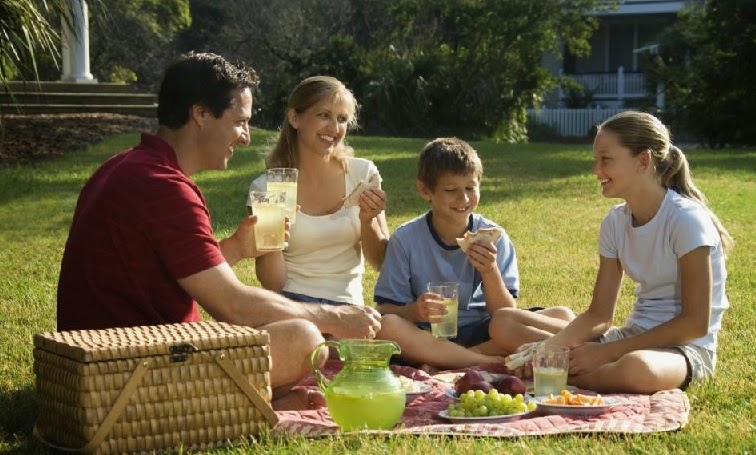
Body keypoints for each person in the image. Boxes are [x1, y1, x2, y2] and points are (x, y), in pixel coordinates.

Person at [56, 52, 381, 410]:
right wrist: (335, 317)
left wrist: (239, 247)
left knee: (289, 335)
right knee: (303, 337)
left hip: (99, 362)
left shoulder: (124, 167)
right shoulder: (164, 188)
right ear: (200, 114)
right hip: (127, 370)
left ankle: (255, 400)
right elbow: (234, 306)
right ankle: (236, 403)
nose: (244, 137)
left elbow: (170, 277)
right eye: (240, 122)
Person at [508, 111, 733, 393]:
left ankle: (559, 376)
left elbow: (695, 324)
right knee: (506, 324)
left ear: (643, 161)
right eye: (596, 160)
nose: (596, 170)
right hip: (632, 337)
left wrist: (605, 353)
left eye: (606, 160)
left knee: (637, 370)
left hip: (684, 349)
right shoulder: (615, 222)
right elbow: (599, 315)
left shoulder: (686, 220)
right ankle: (560, 369)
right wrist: (550, 346)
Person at [373, 137, 573, 370]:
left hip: (482, 331)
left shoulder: (494, 238)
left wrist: (489, 271)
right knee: (387, 326)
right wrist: (414, 311)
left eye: (470, 188)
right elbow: (385, 309)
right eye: (451, 190)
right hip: (428, 335)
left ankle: (451, 360)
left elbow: (505, 313)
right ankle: (484, 361)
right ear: (425, 190)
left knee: (562, 315)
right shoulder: (406, 239)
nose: (463, 199)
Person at [250, 76, 389, 306]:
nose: (334, 129)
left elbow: (381, 263)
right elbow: (272, 284)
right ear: (295, 118)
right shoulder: (268, 186)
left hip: (347, 307)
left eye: (342, 119)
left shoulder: (362, 174)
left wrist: (368, 221)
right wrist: (271, 238)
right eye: (324, 115)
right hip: (292, 306)